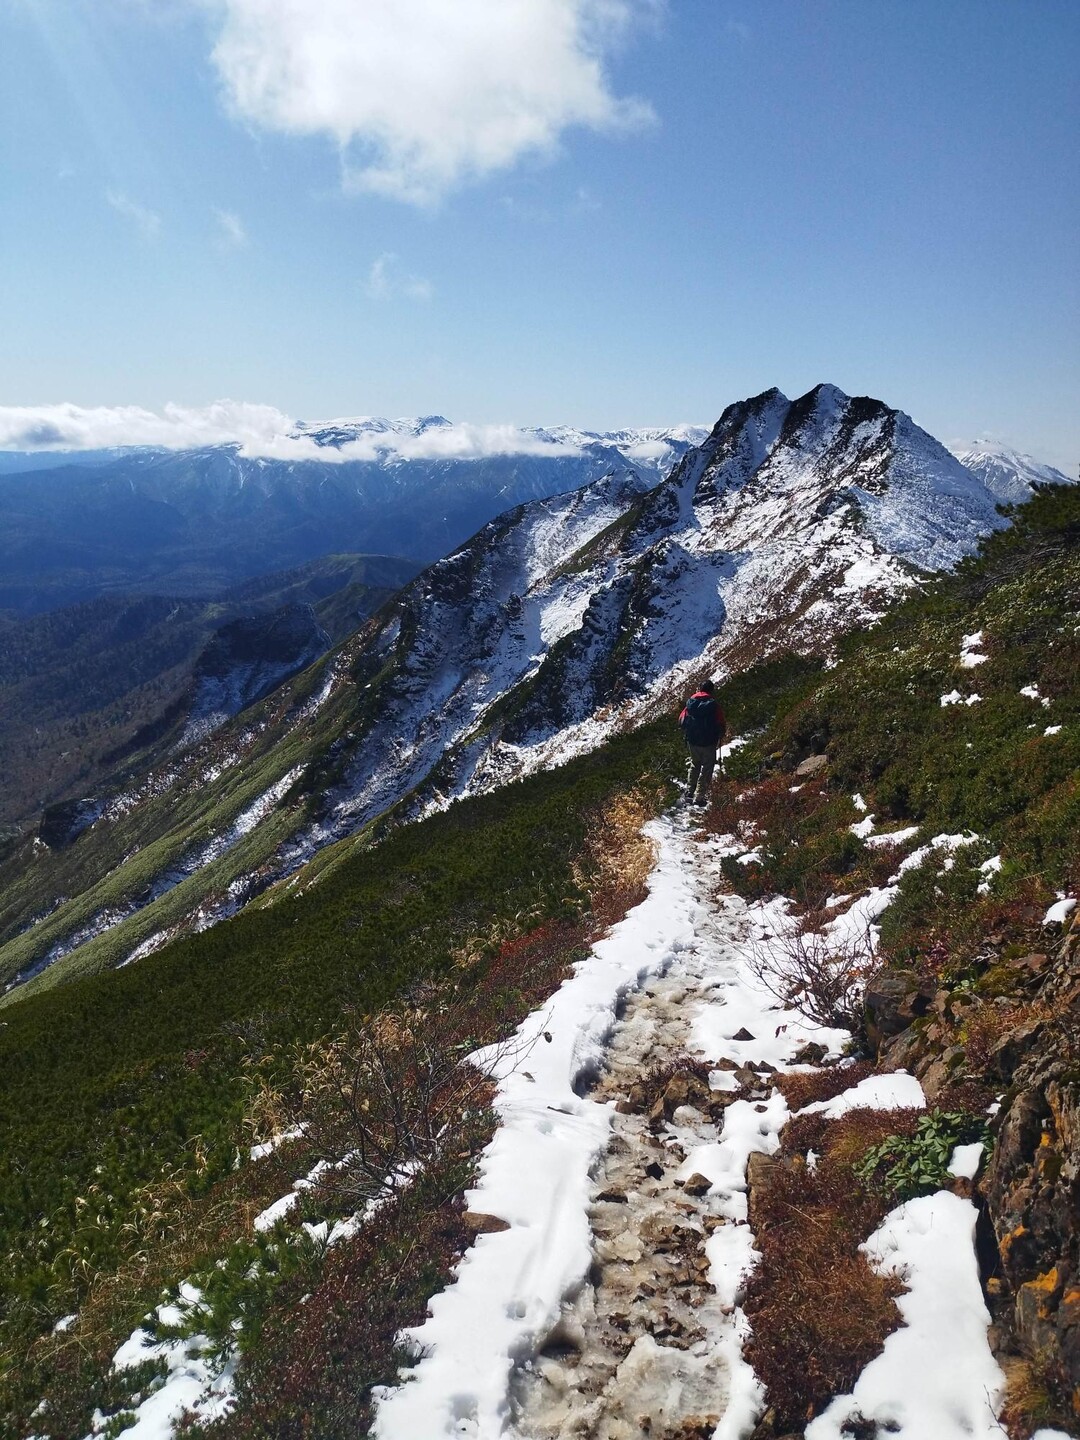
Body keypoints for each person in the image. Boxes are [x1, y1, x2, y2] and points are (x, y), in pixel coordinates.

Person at [678, 679, 726, 806]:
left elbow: (681, 721)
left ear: (699, 689)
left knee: (695, 765)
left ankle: (689, 792)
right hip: (709, 742)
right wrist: (720, 734)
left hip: (693, 741)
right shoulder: (713, 705)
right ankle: (699, 796)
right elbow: (721, 722)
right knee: (707, 768)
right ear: (711, 691)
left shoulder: (690, 703)